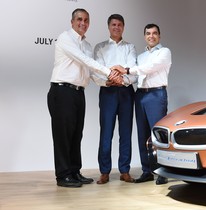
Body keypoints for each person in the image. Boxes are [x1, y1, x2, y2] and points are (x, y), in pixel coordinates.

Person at [47, 8, 121, 188]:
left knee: (76, 134)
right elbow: (84, 60)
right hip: (62, 91)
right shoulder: (65, 38)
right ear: (72, 22)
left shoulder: (87, 45)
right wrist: (110, 71)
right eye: (79, 19)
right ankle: (63, 175)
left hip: (78, 93)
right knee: (63, 135)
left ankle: (74, 171)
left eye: (86, 20)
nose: (83, 23)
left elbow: (90, 73)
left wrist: (107, 82)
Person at [112, 23, 171, 185]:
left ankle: (162, 171)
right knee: (142, 135)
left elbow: (149, 68)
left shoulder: (164, 52)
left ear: (159, 36)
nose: (151, 36)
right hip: (141, 95)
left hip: (156, 94)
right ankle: (147, 171)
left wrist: (127, 70)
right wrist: (118, 78)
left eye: (154, 33)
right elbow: (134, 76)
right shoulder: (141, 56)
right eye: (148, 33)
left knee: (157, 136)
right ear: (144, 36)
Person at [91, 14, 137, 184]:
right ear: (108, 27)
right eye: (113, 24)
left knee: (125, 133)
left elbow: (132, 71)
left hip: (126, 92)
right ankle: (104, 171)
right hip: (108, 92)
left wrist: (121, 78)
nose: (116, 27)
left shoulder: (130, 47)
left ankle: (125, 170)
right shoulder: (100, 47)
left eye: (119, 25)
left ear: (123, 27)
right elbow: (97, 71)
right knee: (106, 133)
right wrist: (110, 79)